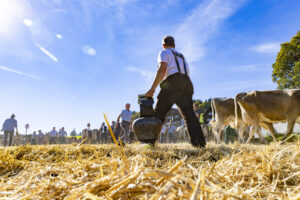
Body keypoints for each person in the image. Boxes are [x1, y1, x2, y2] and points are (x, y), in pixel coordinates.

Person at [145, 35, 206, 147]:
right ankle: (199, 144)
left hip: (173, 83)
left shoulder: (164, 52)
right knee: (189, 115)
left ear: (164, 45)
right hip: (187, 83)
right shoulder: (181, 56)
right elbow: (187, 71)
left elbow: (162, 70)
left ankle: (149, 143)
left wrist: (152, 88)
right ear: (174, 45)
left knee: (159, 113)